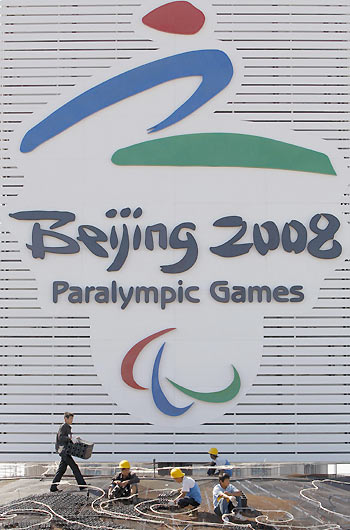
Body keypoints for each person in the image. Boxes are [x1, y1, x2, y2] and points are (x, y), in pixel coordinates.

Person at [50, 412, 87, 492]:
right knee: (74, 467)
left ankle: (53, 487)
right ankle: (82, 485)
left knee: (61, 470)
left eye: (72, 419)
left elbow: (66, 437)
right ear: (65, 419)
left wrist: (73, 438)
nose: (71, 420)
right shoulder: (64, 426)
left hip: (64, 451)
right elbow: (61, 437)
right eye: (70, 418)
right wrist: (70, 438)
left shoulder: (67, 427)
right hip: (64, 450)